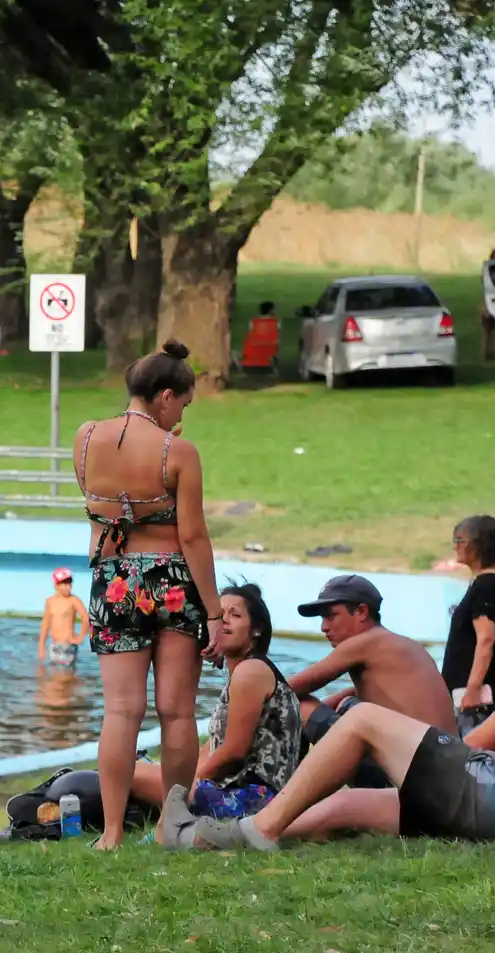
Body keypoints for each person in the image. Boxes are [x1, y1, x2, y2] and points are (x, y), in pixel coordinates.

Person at [168, 586, 495, 850]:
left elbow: (480, 742)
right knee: (347, 806)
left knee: (362, 720)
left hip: (488, 796)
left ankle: (260, 829)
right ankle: (218, 838)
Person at [73, 340, 222, 849]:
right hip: (173, 584)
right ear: (164, 396)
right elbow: (194, 536)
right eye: (183, 402)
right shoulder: (179, 453)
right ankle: (168, 826)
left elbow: (98, 511)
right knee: (176, 711)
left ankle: (112, 832)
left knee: (121, 711)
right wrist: (217, 613)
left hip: (112, 580)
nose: (183, 413)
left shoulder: (86, 438)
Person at [130, 583, 301, 821]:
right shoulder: (246, 671)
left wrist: (184, 786)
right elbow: (212, 748)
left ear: (257, 630)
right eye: (220, 615)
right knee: (138, 767)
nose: (224, 621)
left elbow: (233, 752)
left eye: (235, 614)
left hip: (253, 802)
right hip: (242, 794)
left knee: (128, 773)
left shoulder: (251, 671)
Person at [289, 574, 458, 790]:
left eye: (331, 616)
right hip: (447, 774)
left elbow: (285, 688)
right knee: (347, 704)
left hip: (416, 780)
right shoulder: (400, 644)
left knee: (301, 707)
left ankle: (286, 793)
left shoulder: (363, 643)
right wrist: (336, 701)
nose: (323, 627)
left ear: (361, 611)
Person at [441, 516, 495, 728]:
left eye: (460, 540)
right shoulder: (486, 583)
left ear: (479, 544)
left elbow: (486, 639)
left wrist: (473, 690)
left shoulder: (487, 586)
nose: (456, 546)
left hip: (476, 705)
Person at [38, 567, 88, 672]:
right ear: (56, 585)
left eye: (70, 583)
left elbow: (85, 618)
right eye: (64, 584)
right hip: (54, 645)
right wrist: (41, 646)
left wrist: (80, 637)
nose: (68, 587)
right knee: (53, 675)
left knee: (64, 676)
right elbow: (46, 623)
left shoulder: (73, 600)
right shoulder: (50, 601)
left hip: (68, 645)